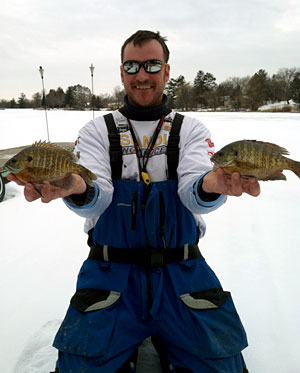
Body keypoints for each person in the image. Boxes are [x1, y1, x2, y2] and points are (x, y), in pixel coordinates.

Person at [8, 30, 260, 372]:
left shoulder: (190, 130)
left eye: (152, 65)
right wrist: (74, 187)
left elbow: (193, 193)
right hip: (110, 272)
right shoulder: (97, 131)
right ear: (122, 72)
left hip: (182, 271)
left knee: (222, 365)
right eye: (132, 65)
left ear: (167, 71)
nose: (142, 75)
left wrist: (214, 184)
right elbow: (97, 198)